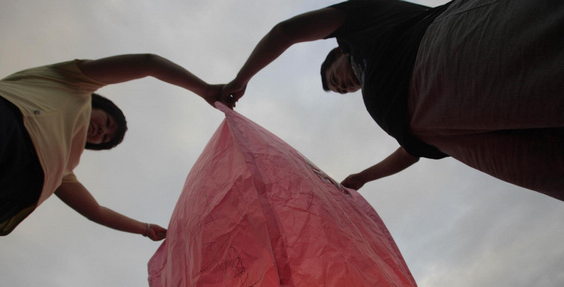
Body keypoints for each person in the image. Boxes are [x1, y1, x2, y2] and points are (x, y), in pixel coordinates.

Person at [220, 0, 564, 201]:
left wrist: (241, 79)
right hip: (446, 134)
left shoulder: (361, 24)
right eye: (342, 91)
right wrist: (364, 176)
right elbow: (410, 153)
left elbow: (286, 31)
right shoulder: (382, 95)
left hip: (441, 53)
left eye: (336, 79)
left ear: (340, 51)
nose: (344, 87)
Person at [0, 54, 221, 246]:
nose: (101, 133)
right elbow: (149, 63)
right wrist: (205, 89)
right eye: (107, 123)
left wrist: (144, 228)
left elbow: (95, 211)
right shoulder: (71, 83)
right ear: (98, 105)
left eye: (105, 139)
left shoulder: (64, 169)